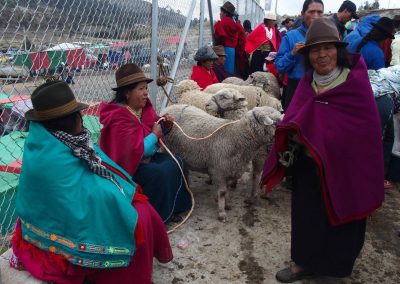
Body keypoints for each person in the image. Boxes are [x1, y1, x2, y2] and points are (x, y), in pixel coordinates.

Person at [11, 79, 173, 284]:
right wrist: (117, 200)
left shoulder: (65, 138)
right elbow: (72, 195)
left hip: (83, 201)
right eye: (140, 88)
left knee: (141, 203)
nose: (82, 117)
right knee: (136, 220)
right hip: (61, 223)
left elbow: (95, 170)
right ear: (68, 120)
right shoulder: (49, 153)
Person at [261, 18, 384, 282]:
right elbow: (297, 116)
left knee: (340, 217)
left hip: (346, 168)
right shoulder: (307, 82)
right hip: (309, 165)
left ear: (338, 50)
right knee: (306, 214)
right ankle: (302, 263)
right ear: (308, 55)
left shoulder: (354, 83)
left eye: (328, 48)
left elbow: (363, 131)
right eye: (315, 50)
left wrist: (324, 138)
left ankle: (332, 269)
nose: (322, 55)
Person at [99, 64, 192, 223]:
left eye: (146, 88)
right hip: (127, 167)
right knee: (158, 173)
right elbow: (134, 152)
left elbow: (154, 129)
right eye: (141, 89)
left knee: (178, 162)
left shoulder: (145, 109)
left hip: (146, 158)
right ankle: (157, 218)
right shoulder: (118, 117)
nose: (146, 92)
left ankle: (174, 207)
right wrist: (155, 135)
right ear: (127, 93)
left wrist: (165, 126)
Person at [275, 0, 324, 111]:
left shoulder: (328, 35)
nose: (315, 16)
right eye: (311, 11)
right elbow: (279, 66)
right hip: (296, 88)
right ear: (302, 14)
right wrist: (292, 53)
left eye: (319, 12)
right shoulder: (291, 36)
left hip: (321, 88)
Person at [368, 65, 400, 189]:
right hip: (381, 99)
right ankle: (372, 182)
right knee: (375, 143)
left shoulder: (395, 68)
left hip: (369, 92)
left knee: (388, 138)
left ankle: (380, 178)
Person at [214, 1, 239, 74]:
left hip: (224, 50)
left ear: (225, 13)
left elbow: (221, 35)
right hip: (232, 50)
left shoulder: (222, 22)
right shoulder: (233, 22)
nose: (220, 13)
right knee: (230, 71)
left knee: (223, 71)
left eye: (221, 12)